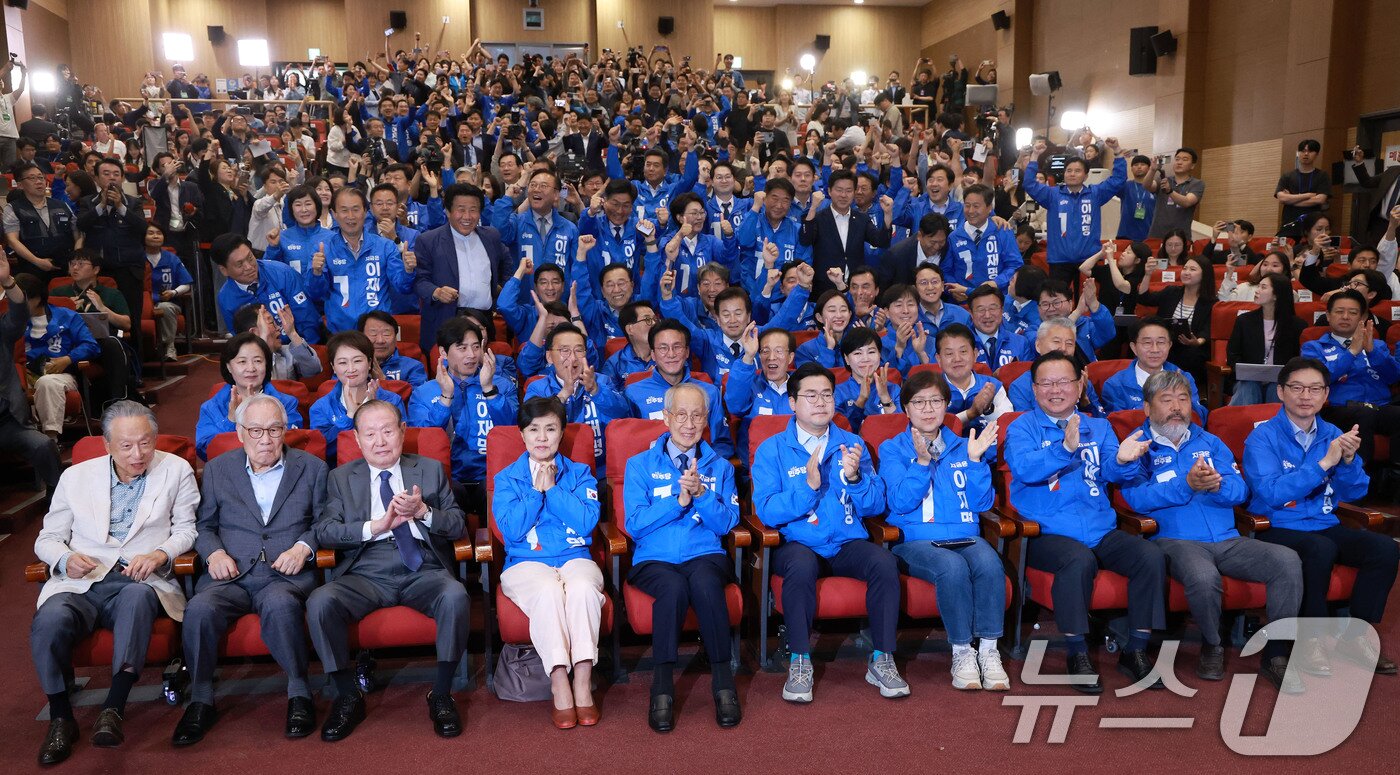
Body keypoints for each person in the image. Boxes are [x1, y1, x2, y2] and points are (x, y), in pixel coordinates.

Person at [30, 402, 198, 765]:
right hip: (81, 580)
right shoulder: (76, 477)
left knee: (137, 599)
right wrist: (64, 559)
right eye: (126, 446)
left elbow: (187, 530)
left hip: (138, 578)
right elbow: (48, 538)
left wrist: (160, 554)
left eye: (145, 443)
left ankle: (114, 708)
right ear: (107, 445)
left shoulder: (176, 470)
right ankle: (61, 717)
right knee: (49, 620)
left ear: (155, 439)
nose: (138, 454)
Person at [1120, 370, 1304, 690]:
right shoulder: (1138, 446)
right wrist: (1186, 485)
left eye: (1183, 399)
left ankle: (1276, 653)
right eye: (1167, 400)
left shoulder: (1210, 442)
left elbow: (1240, 491)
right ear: (1147, 407)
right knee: (1203, 576)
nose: (1177, 407)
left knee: (1287, 560)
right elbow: (1135, 499)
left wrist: (1217, 486)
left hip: (1228, 539)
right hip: (1175, 540)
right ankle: (1212, 644)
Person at [308, 399, 469, 741]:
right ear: (357, 438)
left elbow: (457, 524)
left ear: (402, 431)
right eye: (370, 434)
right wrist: (376, 526)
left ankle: (441, 693)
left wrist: (424, 512)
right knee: (320, 602)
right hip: (365, 570)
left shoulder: (429, 469)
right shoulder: (340, 478)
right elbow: (325, 531)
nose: (380, 441)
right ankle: (348, 695)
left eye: (387, 431)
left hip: (422, 568)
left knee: (455, 595)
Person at [173, 394, 330, 746]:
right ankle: (200, 699)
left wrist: (303, 548)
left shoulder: (312, 468)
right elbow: (204, 525)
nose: (266, 439)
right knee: (199, 608)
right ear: (240, 432)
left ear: (285, 430)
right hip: (230, 574)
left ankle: (299, 693)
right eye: (256, 430)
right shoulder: (218, 469)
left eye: (274, 429)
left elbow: (325, 522)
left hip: (283, 573)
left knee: (280, 604)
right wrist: (213, 553)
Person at [1006, 351, 1160, 693]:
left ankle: (1135, 649)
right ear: (1034, 389)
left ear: (1079, 386)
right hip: (1045, 532)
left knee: (1149, 556)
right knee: (1078, 559)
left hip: (1099, 527)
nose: (1055, 390)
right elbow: (1025, 469)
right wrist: (1064, 448)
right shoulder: (1022, 428)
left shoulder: (1099, 427)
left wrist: (1123, 461)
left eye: (1063, 381)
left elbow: (1113, 472)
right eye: (1046, 383)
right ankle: (1077, 653)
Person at [751, 363, 905, 703]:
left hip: (847, 541)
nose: (820, 402)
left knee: (884, 563)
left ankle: (882, 657)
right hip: (798, 543)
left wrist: (856, 479)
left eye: (827, 394)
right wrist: (807, 488)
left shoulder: (853, 444)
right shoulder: (772, 450)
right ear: (792, 403)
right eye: (810, 395)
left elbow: (876, 504)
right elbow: (767, 510)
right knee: (800, 566)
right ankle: (800, 660)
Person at [1243, 357, 1398, 676]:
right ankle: (1309, 641)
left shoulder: (1332, 433)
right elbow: (1271, 493)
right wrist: (1324, 464)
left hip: (1324, 523)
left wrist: (1349, 461)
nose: (1306, 396)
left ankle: (1354, 637)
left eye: (1315, 389)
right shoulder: (1263, 437)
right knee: (1319, 549)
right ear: (1281, 392)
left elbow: (1354, 493)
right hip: (1276, 525)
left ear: (1326, 394)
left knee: (1385, 549)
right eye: (1297, 388)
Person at [878, 369, 1009, 691]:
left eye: (935, 401)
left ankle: (989, 651)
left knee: (990, 563)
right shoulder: (892, 449)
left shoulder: (966, 445)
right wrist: (922, 463)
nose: (927, 409)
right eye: (918, 402)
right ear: (905, 409)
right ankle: (962, 652)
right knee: (952, 568)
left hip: (966, 534)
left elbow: (982, 504)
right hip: (916, 540)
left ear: (947, 405)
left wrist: (976, 462)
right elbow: (899, 502)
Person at [623, 384, 743, 732]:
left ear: (706, 420)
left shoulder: (720, 467)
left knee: (705, 584)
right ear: (666, 417)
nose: (689, 424)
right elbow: (634, 524)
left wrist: (702, 494)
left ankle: (723, 683)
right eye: (681, 415)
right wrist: (677, 501)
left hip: (704, 554)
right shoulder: (639, 465)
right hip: (654, 559)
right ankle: (662, 687)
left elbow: (727, 523)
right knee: (673, 588)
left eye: (697, 416)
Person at [492, 396, 605, 730]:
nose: (542, 437)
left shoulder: (580, 474)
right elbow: (510, 530)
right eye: (533, 429)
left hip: (574, 557)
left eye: (550, 429)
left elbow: (586, 522)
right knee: (548, 590)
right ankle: (559, 683)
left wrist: (553, 490)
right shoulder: (507, 478)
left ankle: (582, 680)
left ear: (561, 433)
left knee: (582, 588)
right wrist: (535, 493)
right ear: (522, 435)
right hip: (525, 563)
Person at [408, 316, 517, 514]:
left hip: (492, 473)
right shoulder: (424, 393)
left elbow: (512, 430)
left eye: (476, 347)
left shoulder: (501, 385)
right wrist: (445, 398)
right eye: (462, 348)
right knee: (449, 493)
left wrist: (489, 390)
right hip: (447, 476)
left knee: (496, 490)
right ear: (443, 352)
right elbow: (425, 441)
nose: (471, 355)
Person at [1299, 289, 1400, 471]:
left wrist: (1372, 352)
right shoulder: (1314, 347)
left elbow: (1393, 377)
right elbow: (1319, 379)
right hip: (1338, 409)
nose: (1345, 316)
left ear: (1362, 317)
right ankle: (1358, 475)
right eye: (1339, 311)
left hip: (1379, 407)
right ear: (1328, 316)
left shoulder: (1377, 345)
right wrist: (1352, 351)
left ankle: (1395, 475)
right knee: (1364, 415)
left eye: (1353, 312)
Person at [412, 182, 509, 355]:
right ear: (448, 211)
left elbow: (506, 265)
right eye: (461, 209)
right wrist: (436, 292)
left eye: (473, 210)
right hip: (446, 319)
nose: (467, 216)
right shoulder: (428, 240)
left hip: (483, 319)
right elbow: (419, 280)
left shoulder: (491, 236)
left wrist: (501, 292)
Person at [522, 323, 630, 469]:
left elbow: (623, 412)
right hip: (556, 470)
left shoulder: (602, 381)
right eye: (564, 350)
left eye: (579, 350)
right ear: (549, 357)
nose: (573, 358)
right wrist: (564, 394)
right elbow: (533, 426)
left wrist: (595, 390)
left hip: (602, 469)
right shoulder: (538, 388)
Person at [623, 319, 733, 458]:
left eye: (677, 347)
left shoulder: (710, 392)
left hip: (699, 467)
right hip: (653, 468)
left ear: (687, 352)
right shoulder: (633, 394)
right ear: (653, 354)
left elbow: (722, 443)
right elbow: (628, 444)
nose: (671, 354)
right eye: (663, 348)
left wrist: (704, 465)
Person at [76, 158, 149, 367]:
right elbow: (82, 224)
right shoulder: (88, 202)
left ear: (122, 178)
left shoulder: (133, 202)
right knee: (99, 318)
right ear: (97, 178)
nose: (111, 178)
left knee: (131, 319)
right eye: (106, 174)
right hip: (99, 271)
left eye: (116, 174)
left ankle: (135, 369)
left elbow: (142, 228)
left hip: (129, 269)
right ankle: (107, 366)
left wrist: (120, 206)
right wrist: (101, 205)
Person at [305, 187, 406, 334]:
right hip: (340, 333)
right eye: (344, 210)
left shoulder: (385, 246)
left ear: (365, 212)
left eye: (356, 209)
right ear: (334, 214)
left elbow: (403, 286)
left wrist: (408, 270)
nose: (350, 216)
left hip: (377, 333)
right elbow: (315, 294)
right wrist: (316, 273)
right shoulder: (322, 249)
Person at [17, 272, 100, 442]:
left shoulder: (68, 316)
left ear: (37, 298)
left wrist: (68, 359)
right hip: (24, 373)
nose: (16, 304)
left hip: (59, 374)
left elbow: (91, 345)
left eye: (21, 299)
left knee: (46, 383)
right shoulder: (12, 321)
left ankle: (50, 439)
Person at [0, 264, 61, 493]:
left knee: (43, 445)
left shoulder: (2, 333)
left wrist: (8, 282)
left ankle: (57, 497)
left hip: (7, 422)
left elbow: (19, 314)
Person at [195, 333, 304, 460]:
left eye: (258, 361)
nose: (251, 368)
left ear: (267, 364)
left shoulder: (287, 403)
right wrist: (232, 420)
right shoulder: (211, 408)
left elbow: (291, 444)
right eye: (242, 362)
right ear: (229, 366)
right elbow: (206, 450)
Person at [309, 331, 407, 461]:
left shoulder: (392, 401)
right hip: (340, 470)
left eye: (357, 361)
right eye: (342, 363)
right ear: (333, 367)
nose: (351, 369)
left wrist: (372, 409)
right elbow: (323, 452)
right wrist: (350, 416)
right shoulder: (321, 407)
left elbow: (401, 443)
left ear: (369, 363)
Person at [212, 233, 320, 344]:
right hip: (261, 351)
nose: (249, 267)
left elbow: (307, 318)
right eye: (240, 264)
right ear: (224, 270)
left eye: (250, 258)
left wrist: (307, 350)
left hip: (298, 344)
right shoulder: (226, 299)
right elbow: (240, 339)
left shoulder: (282, 273)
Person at [799, 171, 894, 296]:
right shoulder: (819, 218)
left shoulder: (861, 218)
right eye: (839, 190)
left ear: (854, 192)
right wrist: (813, 208)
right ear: (829, 191)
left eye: (849, 191)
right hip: (825, 287)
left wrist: (887, 214)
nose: (843, 195)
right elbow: (805, 239)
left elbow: (881, 241)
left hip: (855, 287)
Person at [1101, 317, 1209, 421]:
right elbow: (1118, 425)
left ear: (1169, 345)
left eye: (1161, 342)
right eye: (1147, 343)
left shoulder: (1184, 378)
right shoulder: (1115, 385)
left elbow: (1199, 418)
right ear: (1134, 348)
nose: (1155, 349)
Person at [1227, 272, 1303, 406]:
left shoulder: (1297, 325)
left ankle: (1276, 420)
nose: (1257, 290)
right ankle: (1247, 420)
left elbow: (1299, 359)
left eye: (1263, 287)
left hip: (1281, 380)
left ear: (1276, 295)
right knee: (1249, 386)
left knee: (1277, 388)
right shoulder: (1244, 321)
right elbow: (1233, 355)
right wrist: (1244, 372)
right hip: (1248, 380)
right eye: (1258, 286)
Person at [1137, 254, 1215, 385]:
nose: (1186, 272)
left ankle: (1186, 390)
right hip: (1164, 343)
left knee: (1193, 354)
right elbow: (1144, 298)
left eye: (1192, 269)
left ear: (1204, 275)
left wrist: (1197, 342)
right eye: (1185, 268)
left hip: (1191, 348)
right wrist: (1148, 275)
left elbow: (1207, 330)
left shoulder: (1210, 303)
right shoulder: (1171, 292)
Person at [4, 161, 79, 283]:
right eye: (32, 178)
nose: (39, 181)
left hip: (66, 268)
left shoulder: (62, 205)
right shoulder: (13, 208)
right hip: (32, 269)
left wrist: (75, 261)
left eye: (41, 177)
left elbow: (78, 235)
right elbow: (13, 241)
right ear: (20, 185)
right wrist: (37, 261)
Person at [943, 184, 1022, 296]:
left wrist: (996, 283)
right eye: (967, 205)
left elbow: (1015, 266)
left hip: (997, 298)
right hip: (964, 300)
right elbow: (946, 270)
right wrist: (953, 290)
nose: (971, 211)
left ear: (989, 208)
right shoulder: (954, 237)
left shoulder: (1003, 231)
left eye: (976, 206)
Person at [935, 324, 1013, 435]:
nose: (957, 359)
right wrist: (971, 413)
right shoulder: (930, 390)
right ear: (939, 359)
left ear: (975, 354)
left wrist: (988, 409)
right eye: (949, 353)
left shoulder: (991, 386)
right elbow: (931, 430)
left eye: (963, 351)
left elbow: (1009, 426)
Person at [833, 328, 899, 433]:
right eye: (858, 353)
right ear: (846, 359)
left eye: (871, 352)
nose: (865, 359)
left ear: (880, 354)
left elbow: (902, 428)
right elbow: (840, 432)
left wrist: (885, 397)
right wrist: (861, 401)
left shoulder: (893, 389)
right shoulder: (836, 393)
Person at [144, 223, 194, 361]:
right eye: (151, 233)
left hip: (169, 303)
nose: (155, 236)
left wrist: (173, 292)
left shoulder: (172, 258)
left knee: (164, 307)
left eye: (159, 233)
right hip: (143, 305)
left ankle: (168, 347)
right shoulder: (137, 258)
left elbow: (186, 284)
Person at [967, 285, 1034, 370]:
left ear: (1002, 310)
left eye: (992, 308)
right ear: (971, 313)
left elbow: (1028, 375)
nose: (987, 315)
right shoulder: (962, 344)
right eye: (981, 310)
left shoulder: (1020, 343)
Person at [879, 213, 951, 289]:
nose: (937, 247)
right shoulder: (896, 255)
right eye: (933, 242)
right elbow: (884, 289)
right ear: (919, 236)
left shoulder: (949, 246)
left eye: (941, 242)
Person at [1146, 147, 1205, 239]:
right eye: (1177, 159)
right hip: (1157, 235)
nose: (1179, 162)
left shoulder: (1197, 184)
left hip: (1181, 238)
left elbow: (1187, 202)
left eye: (1184, 159)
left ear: (1192, 165)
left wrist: (1170, 191)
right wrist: (1152, 170)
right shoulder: (1164, 179)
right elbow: (1147, 186)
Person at [357, 311, 426, 385]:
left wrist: (383, 380)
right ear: (362, 338)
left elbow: (419, 392)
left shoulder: (413, 367)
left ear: (396, 338)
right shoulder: (352, 366)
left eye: (386, 334)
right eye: (373, 334)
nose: (380, 340)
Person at [1276, 139, 1331, 230]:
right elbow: (1282, 198)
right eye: (1302, 151)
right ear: (1298, 153)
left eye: (1310, 151)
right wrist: (1308, 195)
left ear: (1317, 154)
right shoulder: (1287, 176)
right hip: (1290, 222)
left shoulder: (1322, 175)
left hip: (1313, 224)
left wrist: (1291, 200)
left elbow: (1320, 199)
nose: (1306, 154)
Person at [1115, 155, 1156, 242]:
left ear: (1149, 168)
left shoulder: (1155, 187)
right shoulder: (1125, 186)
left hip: (1149, 235)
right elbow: (1115, 182)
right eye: (1136, 165)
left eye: (1143, 164)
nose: (1139, 167)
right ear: (1131, 169)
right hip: (1126, 235)